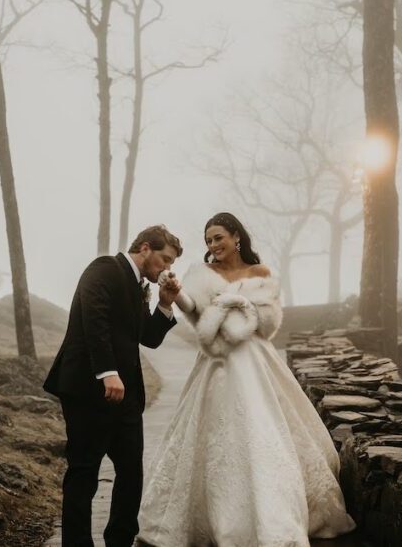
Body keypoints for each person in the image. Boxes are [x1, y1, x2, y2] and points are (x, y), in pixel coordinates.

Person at [137, 212, 356, 546]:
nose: (214, 245)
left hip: (255, 358)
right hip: (216, 363)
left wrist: (241, 309)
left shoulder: (260, 273)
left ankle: (274, 515)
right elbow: (193, 308)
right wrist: (175, 292)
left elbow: (268, 322)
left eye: (219, 237)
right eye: (209, 240)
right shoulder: (203, 272)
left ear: (236, 236)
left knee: (263, 427)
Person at [43, 225, 183, 547]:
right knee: (84, 471)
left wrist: (165, 304)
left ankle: (120, 540)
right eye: (165, 259)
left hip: (127, 396)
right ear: (145, 248)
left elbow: (147, 337)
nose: (167, 268)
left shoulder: (139, 285)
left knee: (131, 472)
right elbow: (95, 321)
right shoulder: (104, 268)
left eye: (171, 263)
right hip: (87, 390)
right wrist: (107, 372)